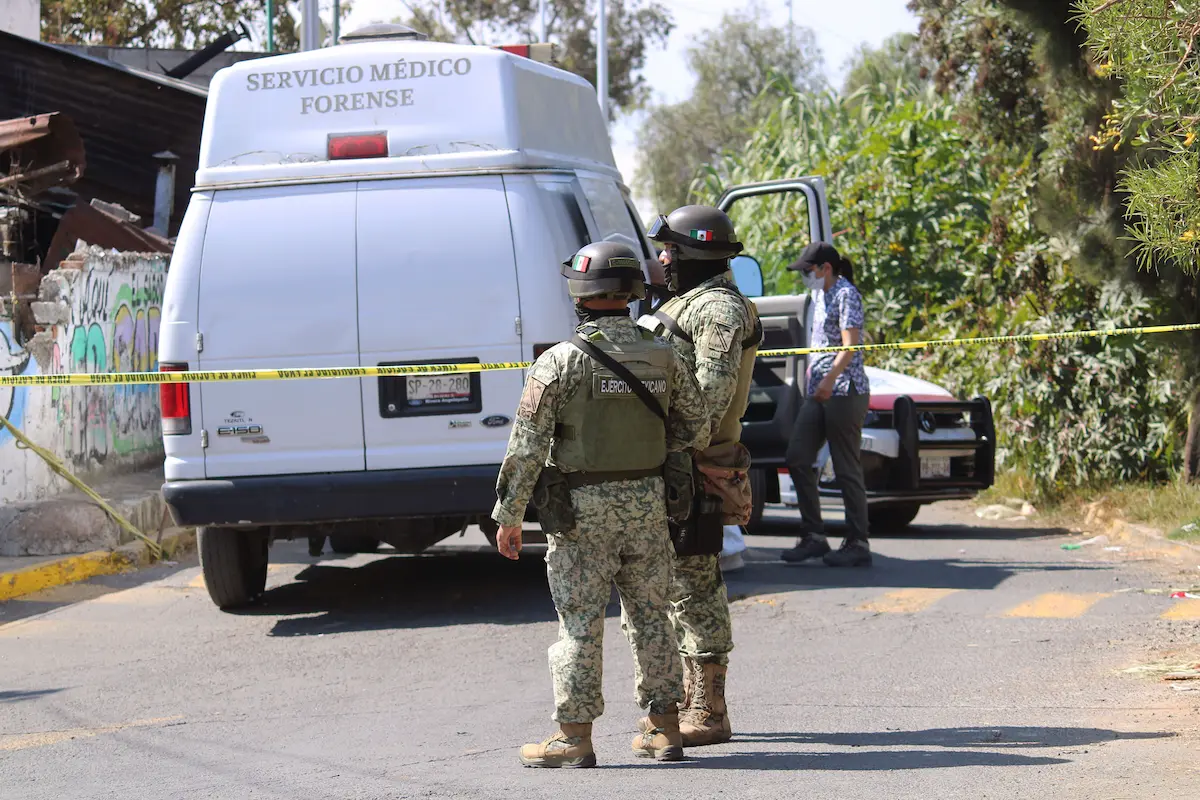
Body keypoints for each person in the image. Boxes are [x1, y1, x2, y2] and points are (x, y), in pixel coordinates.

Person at [491, 241, 710, 769]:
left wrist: (509, 515)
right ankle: (664, 730)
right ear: (635, 291)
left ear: (579, 294)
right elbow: (696, 427)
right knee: (653, 617)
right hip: (649, 505)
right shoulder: (668, 356)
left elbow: (525, 447)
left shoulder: (559, 363)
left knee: (579, 624)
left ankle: (574, 739)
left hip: (581, 512)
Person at [641, 204, 762, 747]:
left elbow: (708, 405)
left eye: (669, 249)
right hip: (675, 464)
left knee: (695, 587)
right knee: (676, 587)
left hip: (691, 466)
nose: (663, 258)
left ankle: (709, 711)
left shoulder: (716, 309)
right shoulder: (691, 304)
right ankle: (689, 702)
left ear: (691, 253)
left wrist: (669, 460)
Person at [780, 241, 873, 567]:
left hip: (844, 391)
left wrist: (830, 379)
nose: (806, 276)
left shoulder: (846, 294)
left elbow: (850, 345)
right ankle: (814, 536)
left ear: (826, 269)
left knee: (846, 467)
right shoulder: (819, 296)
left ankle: (858, 542)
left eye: (809, 270)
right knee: (798, 457)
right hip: (819, 392)